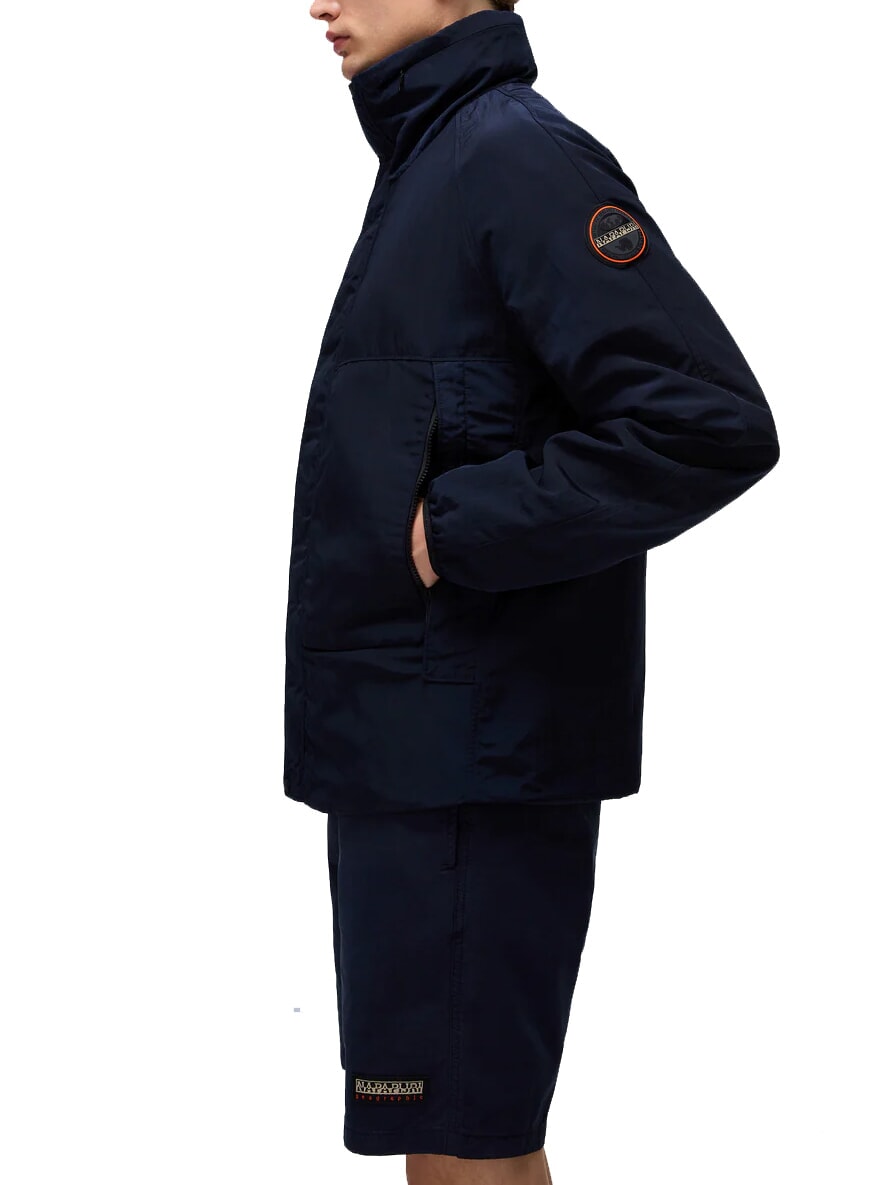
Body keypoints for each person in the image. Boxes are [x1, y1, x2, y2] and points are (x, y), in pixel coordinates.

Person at [288, 2, 780, 1181]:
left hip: (473, 761)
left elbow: (706, 422)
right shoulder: (438, 158)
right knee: (452, 1138)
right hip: (420, 753)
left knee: (470, 1146)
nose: (320, 2)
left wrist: (456, 529)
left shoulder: (512, 156)